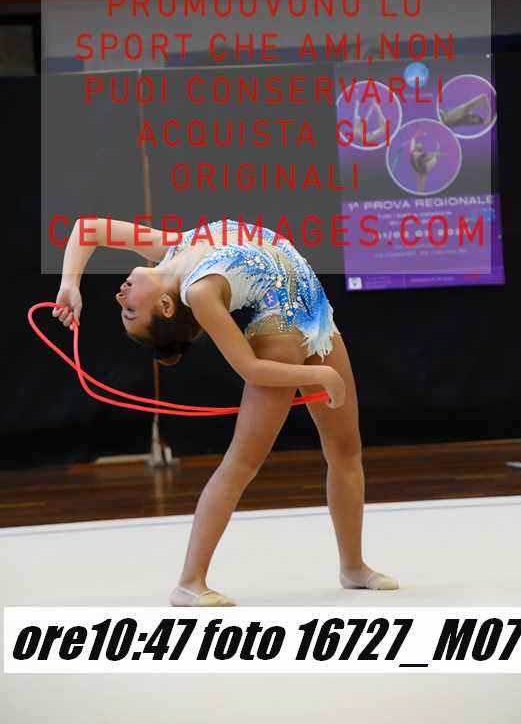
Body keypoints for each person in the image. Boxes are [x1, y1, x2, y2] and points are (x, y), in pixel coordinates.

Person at [53, 217, 399, 606]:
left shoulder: (174, 245)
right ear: (165, 306)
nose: (120, 297)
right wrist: (320, 375)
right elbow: (250, 368)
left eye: (125, 309)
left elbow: (89, 228)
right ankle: (189, 582)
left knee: (346, 450)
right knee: (241, 463)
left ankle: (353, 566)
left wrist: (70, 284)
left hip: (318, 318)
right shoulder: (199, 291)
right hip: (279, 339)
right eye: (130, 311)